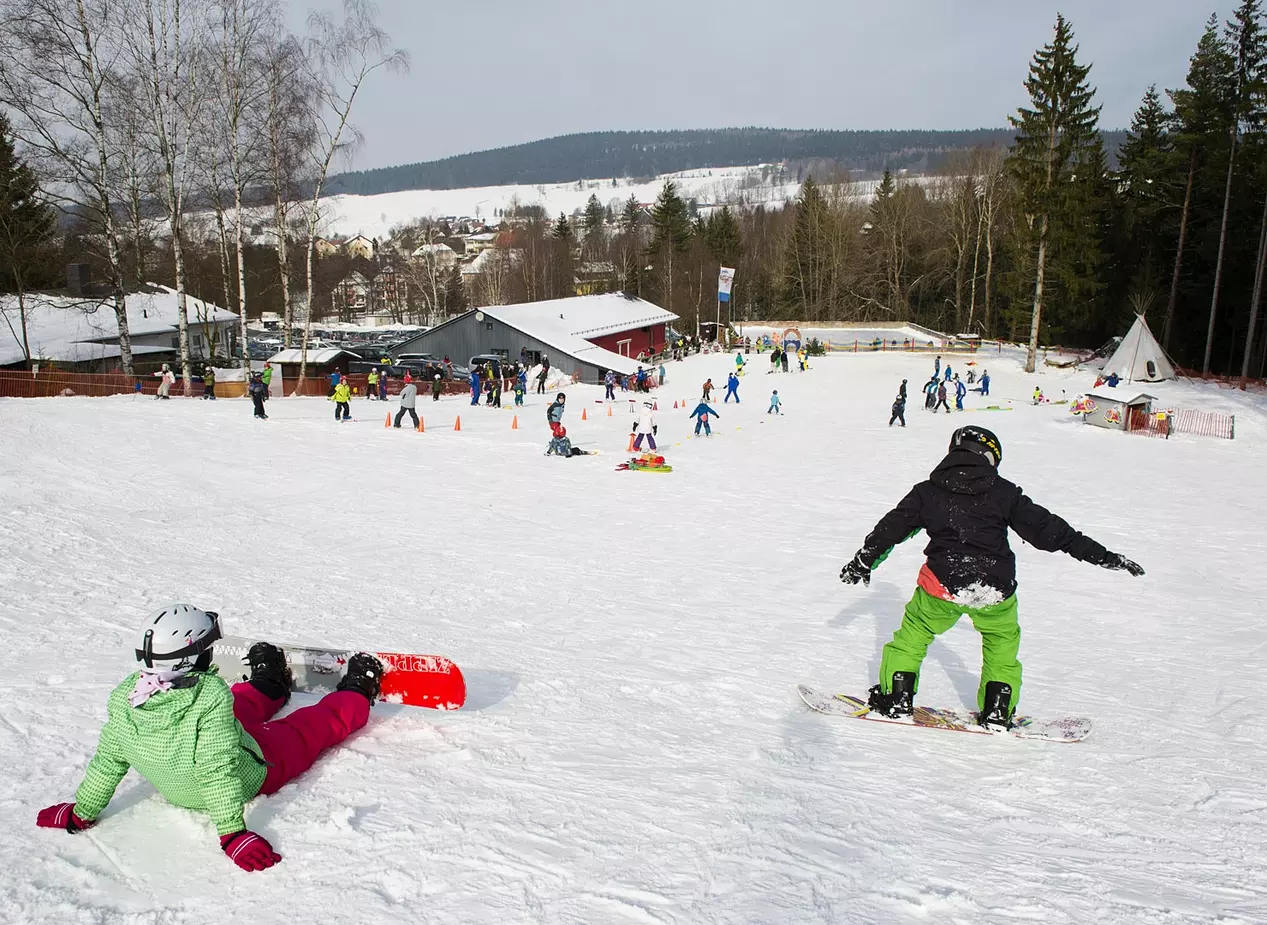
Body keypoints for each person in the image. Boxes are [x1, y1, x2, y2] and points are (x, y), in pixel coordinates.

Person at [35, 604, 384, 872]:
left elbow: (109, 760)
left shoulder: (128, 695)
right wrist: (231, 833)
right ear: (195, 655)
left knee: (235, 705)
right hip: (252, 772)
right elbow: (217, 770)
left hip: (177, 782)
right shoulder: (211, 695)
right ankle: (355, 693)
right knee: (307, 728)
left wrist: (81, 812)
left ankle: (268, 684)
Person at [839, 427, 1144, 728]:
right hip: (995, 588)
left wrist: (863, 562)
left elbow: (890, 530)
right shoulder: (1004, 492)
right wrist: (1104, 556)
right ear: (989, 458)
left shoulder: (927, 492)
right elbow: (1050, 531)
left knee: (914, 635)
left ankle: (895, 697)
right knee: (1001, 643)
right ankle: (998, 709)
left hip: (942, 585)